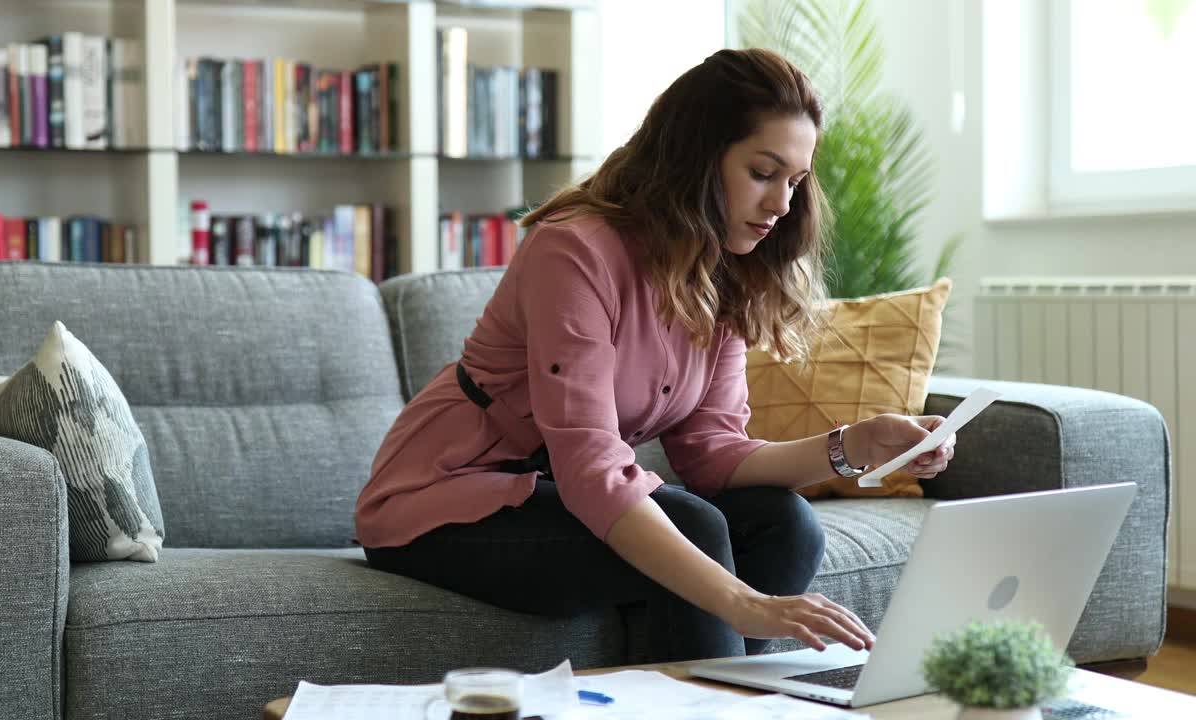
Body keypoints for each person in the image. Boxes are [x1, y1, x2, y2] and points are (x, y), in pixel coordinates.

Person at [355, 47, 956, 662]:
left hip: (555, 495)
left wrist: (857, 445)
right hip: (444, 501)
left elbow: (714, 455)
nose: (781, 205)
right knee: (693, 525)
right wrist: (741, 601)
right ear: (697, 156)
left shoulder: (724, 272)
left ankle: (719, 696)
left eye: (795, 182)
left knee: (785, 523)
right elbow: (593, 469)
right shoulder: (574, 250)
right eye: (762, 173)